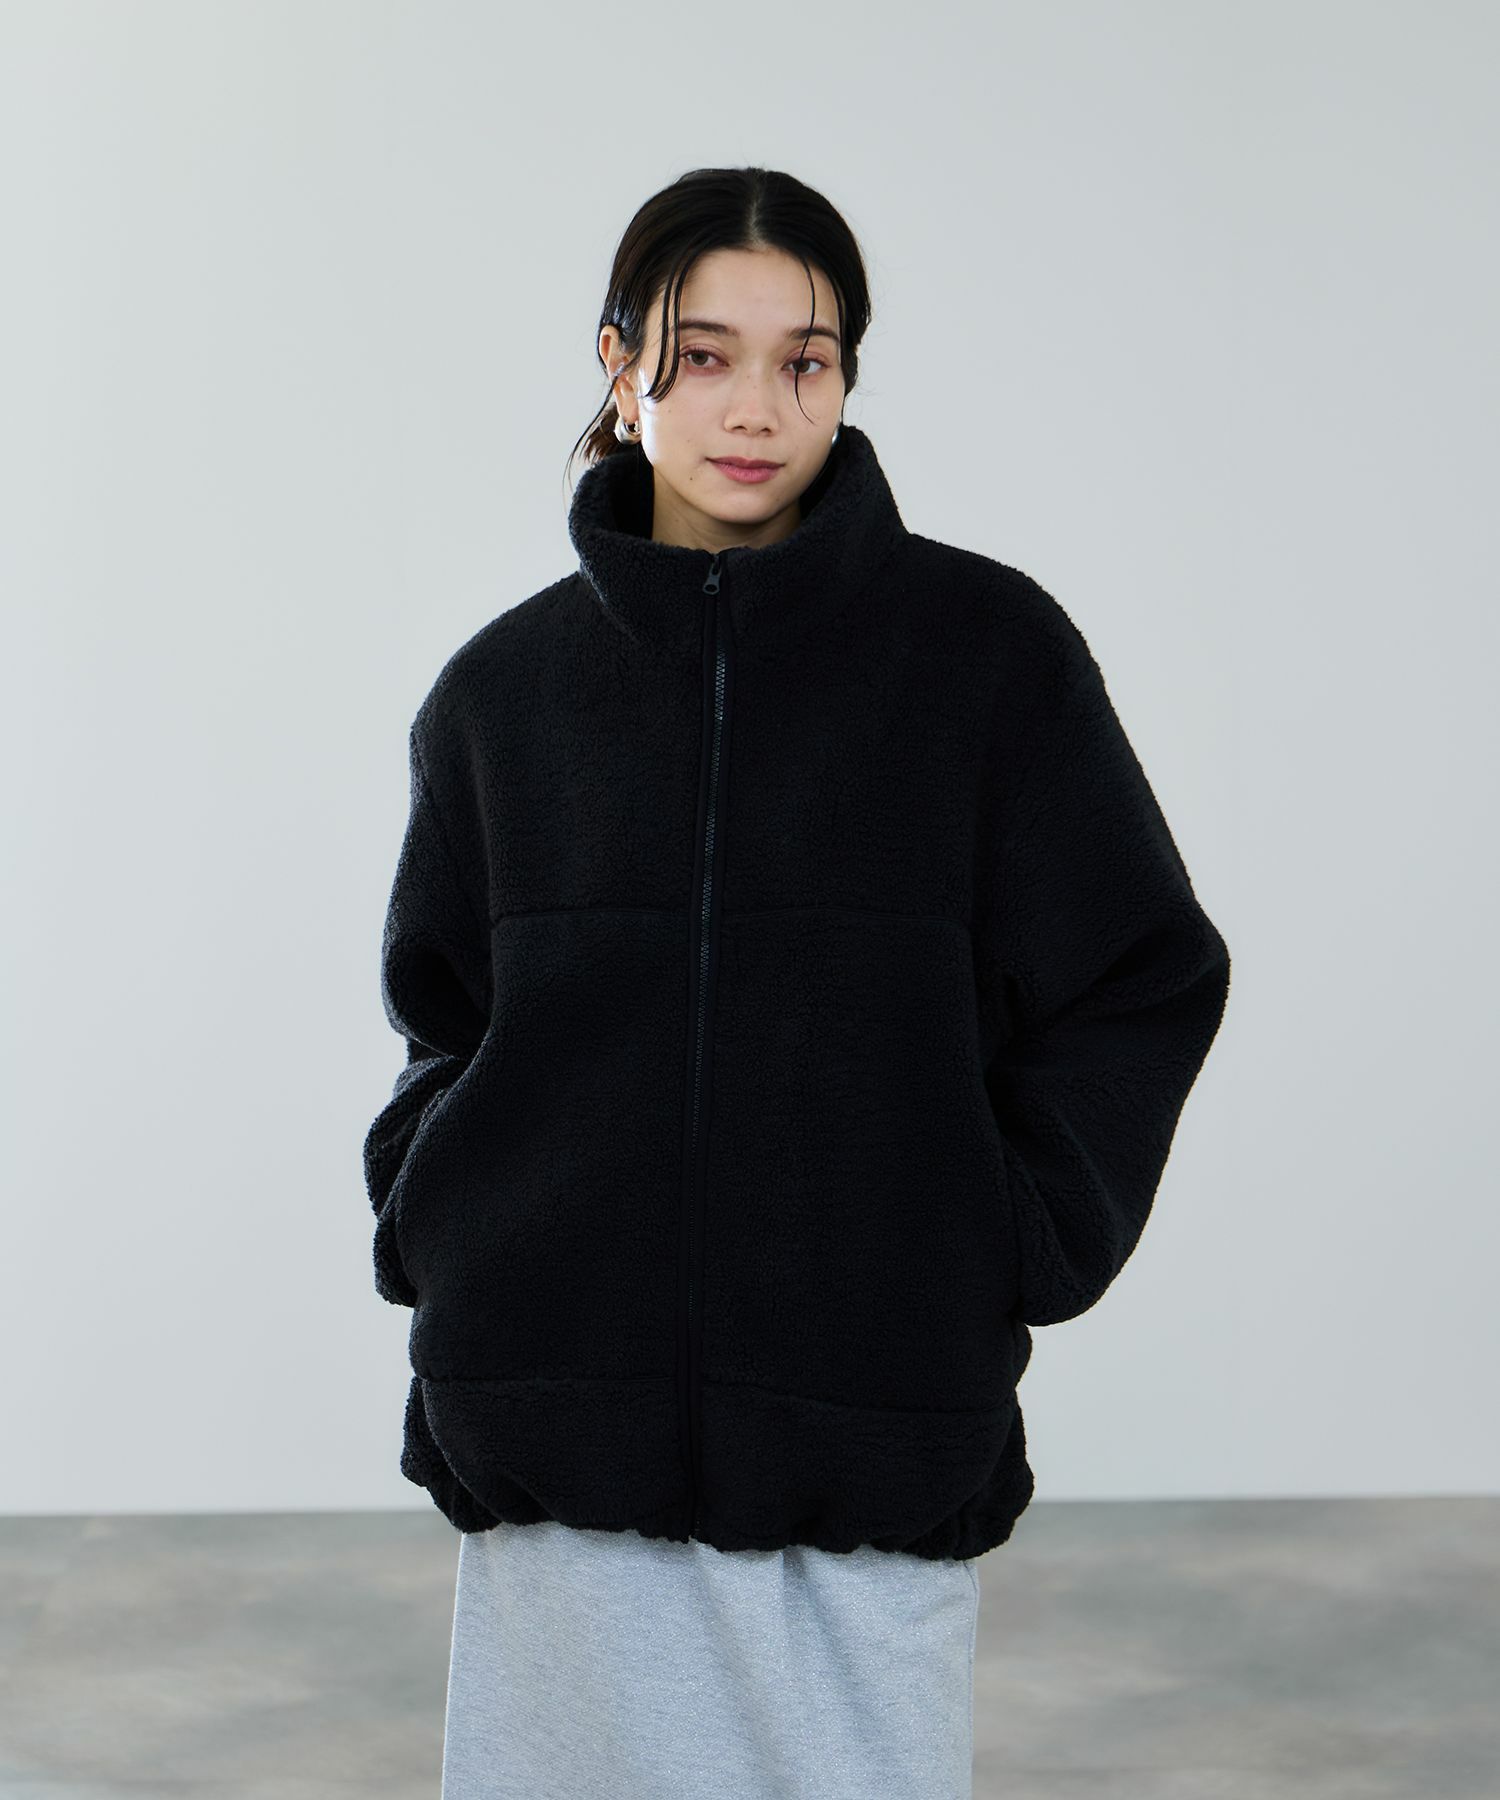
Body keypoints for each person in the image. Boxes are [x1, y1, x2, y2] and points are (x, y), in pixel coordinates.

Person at [362, 164, 1232, 1800]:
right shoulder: (504, 696)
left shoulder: (987, 661)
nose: (755, 405)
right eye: (703, 355)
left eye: (804, 360)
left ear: (846, 377)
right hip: (555, 1443)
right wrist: (443, 1212)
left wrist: (1006, 1229)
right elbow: (444, 1019)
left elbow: (1140, 973)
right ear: (619, 362)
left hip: (871, 1436)